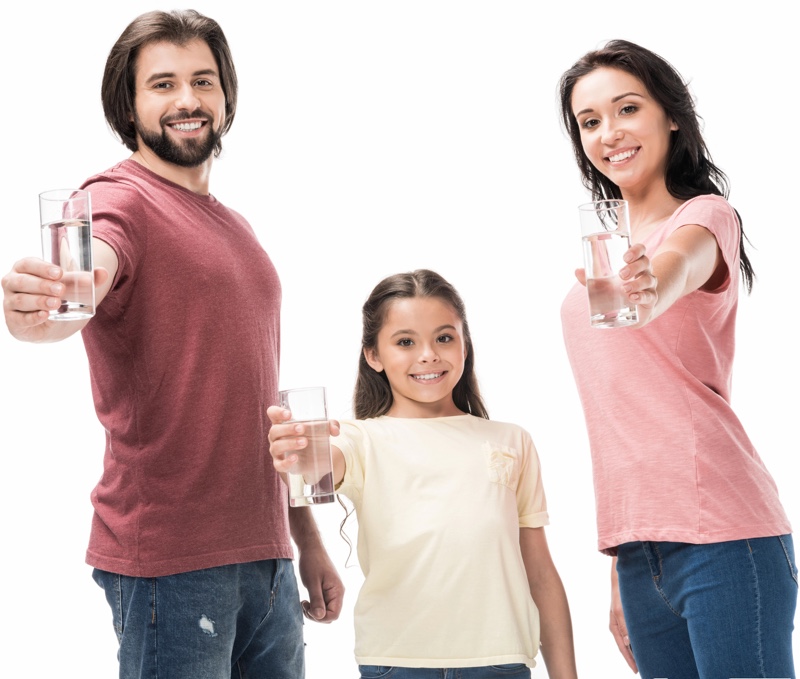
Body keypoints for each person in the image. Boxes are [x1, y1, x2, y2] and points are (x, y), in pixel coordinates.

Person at [1, 9, 343, 678]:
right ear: (128, 104)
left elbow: (257, 395)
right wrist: (32, 313)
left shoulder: (235, 227)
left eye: (202, 81)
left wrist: (305, 538)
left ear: (225, 96)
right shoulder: (113, 201)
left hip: (266, 556)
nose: (187, 100)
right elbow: (77, 288)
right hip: (174, 563)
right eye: (162, 84)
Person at [558, 39, 796, 679]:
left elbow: (675, 267)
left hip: (726, 537)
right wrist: (620, 566)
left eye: (627, 108)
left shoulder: (703, 219)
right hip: (640, 555)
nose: (610, 132)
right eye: (590, 121)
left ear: (670, 116)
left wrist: (650, 283)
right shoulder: (603, 254)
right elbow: (624, 419)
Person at [269, 269, 579, 679]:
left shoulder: (512, 441)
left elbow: (539, 571)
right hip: (397, 663)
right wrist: (300, 453)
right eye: (405, 342)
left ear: (465, 343)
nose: (429, 354)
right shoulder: (360, 439)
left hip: (500, 663)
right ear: (373, 355)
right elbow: (324, 464)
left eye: (444, 337)